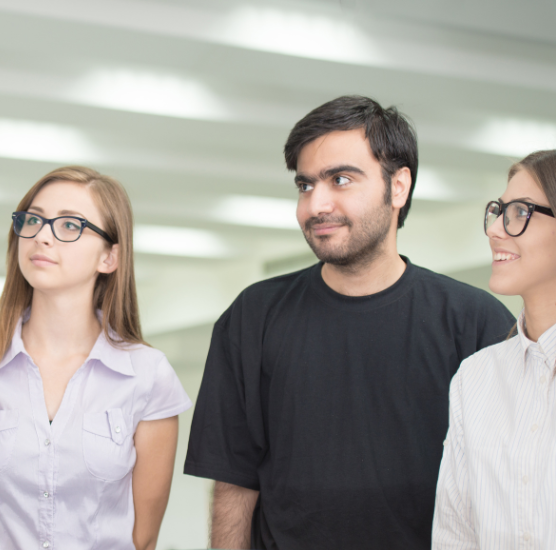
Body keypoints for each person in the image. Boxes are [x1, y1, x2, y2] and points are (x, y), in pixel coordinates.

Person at [183, 95, 516, 550]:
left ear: (398, 187)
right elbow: (234, 481)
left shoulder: (475, 322)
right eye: (305, 185)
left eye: (341, 179)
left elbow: (504, 486)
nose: (316, 204)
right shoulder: (253, 316)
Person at [0, 166, 192, 550]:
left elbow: (143, 539)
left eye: (70, 226)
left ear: (110, 257)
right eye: (33, 220)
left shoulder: (148, 375)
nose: (43, 237)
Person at [432, 149, 556, 548]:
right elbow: (455, 535)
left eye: (520, 212)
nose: (496, 229)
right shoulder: (475, 378)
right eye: (498, 211)